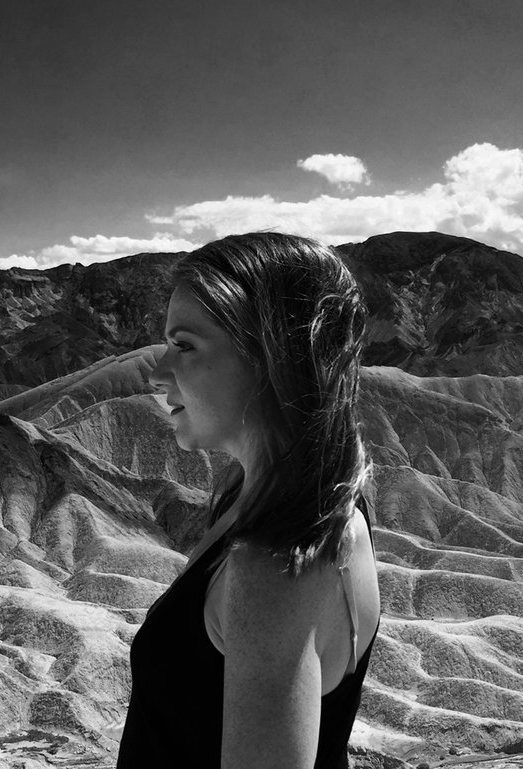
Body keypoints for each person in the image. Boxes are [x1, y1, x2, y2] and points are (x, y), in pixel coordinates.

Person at [126, 232, 382, 768]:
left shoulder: (276, 564)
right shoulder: (298, 502)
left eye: (185, 345)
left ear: (272, 356)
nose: (157, 373)